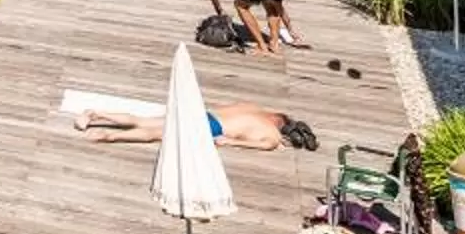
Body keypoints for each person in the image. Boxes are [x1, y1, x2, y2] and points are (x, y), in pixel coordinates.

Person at [78, 106, 314, 152]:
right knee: (153, 135)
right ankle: (108, 136)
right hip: (212, 127)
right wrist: (233, 142)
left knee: (143, 121)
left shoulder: (255, 109)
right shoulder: (272, 134)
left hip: (207, 114)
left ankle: (96, 113)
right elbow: (267, 143)